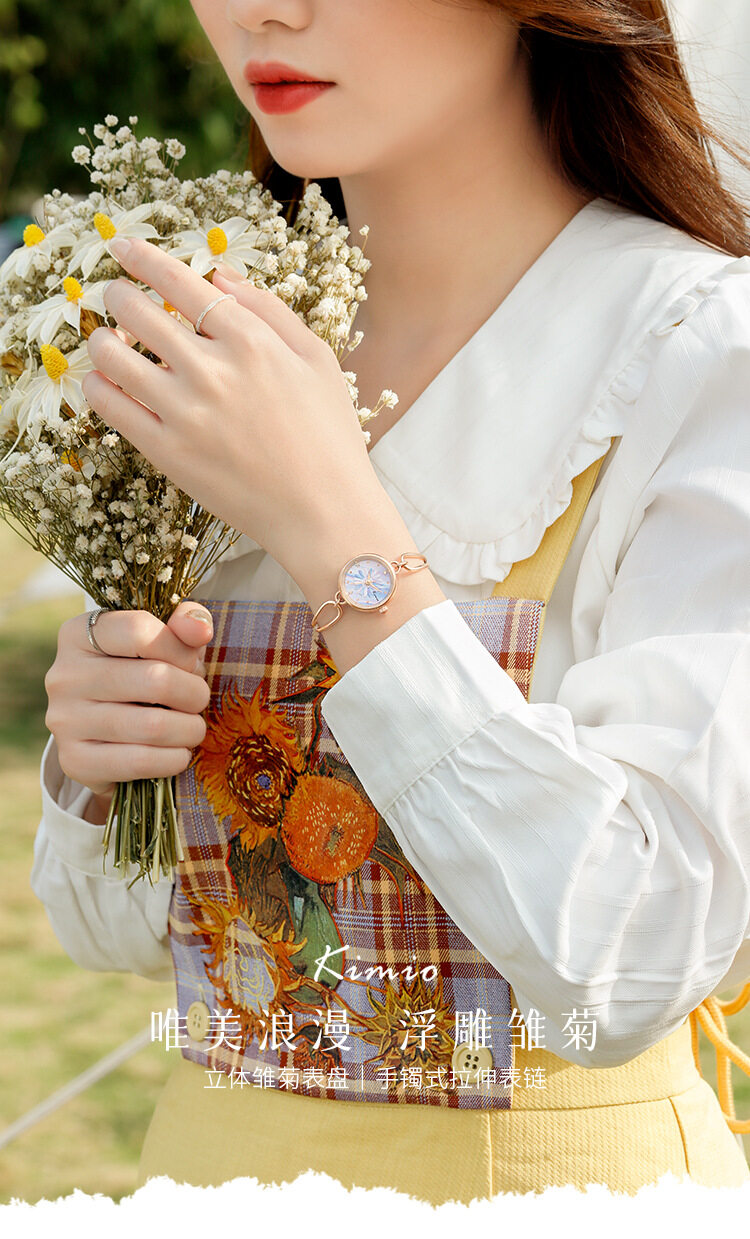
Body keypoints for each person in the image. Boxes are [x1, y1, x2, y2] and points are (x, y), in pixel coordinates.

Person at [30, 0, 750, 1203]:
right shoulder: (212, 333)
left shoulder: (700, 348)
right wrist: (105, 763)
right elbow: (112, 936)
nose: (265, 12)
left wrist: (341, 541)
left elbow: (631, 955)